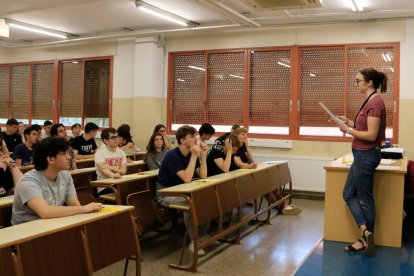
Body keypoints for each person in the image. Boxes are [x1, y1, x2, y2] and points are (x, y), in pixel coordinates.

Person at [336, 68, 387, 257]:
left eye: (358, 80)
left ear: (369, 83)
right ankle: (366, 232)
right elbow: (364, 127)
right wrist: (349, 122)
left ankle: (365, 239)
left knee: (365, 199)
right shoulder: (370, 100)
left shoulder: (375, 103)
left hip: (366, 155)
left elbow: (371, 135)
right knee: (348, 194)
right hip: (361, 154)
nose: (355, 83)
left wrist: (348, 131)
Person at [11, 137, 102, 225]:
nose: (69, 157)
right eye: (64, 154)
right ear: (50, 159)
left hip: (51, 224)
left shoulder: (65, 175)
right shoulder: (28, 181)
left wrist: (82, 210)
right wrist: (83, 209)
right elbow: (45, 212)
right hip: (26, 230)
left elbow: (74, 205)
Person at [156, 125, 207, 256]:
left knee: (205, 198)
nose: (195, 139)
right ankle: (194, 241)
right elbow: (187, 178)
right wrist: (195, 157)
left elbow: (203, 175)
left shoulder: (191, 154)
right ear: (182, 140)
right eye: (191, 137)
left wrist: (203, 156)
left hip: (182, 191)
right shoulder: (172, 155)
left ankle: (201, 235)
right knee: (190, 203)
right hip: (165, 193)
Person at [94, 128, 127, 194]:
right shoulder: (99, 153)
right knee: (125, 191)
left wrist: (110, 167)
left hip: (119, 183)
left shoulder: (121, 152)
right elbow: (102, 169)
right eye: (113, 137)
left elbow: (123, 171)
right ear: (105, 140)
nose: (116, 139)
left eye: (117, 137)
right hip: (105, 186)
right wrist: (114, 174)